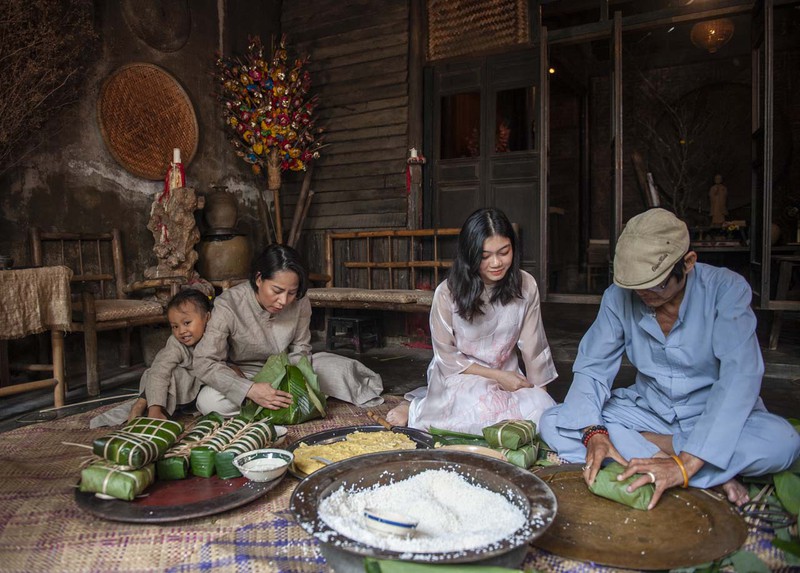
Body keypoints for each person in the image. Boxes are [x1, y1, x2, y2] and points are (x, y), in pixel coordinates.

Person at [539, 208, 800, 510]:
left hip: (711, 412)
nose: (644, 294)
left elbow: (739, 377)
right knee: (556, 421)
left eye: (656, 283)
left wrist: (687, 463)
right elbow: (592, 369)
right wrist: (594, 434)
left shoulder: (726, 289)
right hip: (650, 409)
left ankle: (678, 462)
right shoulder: (618, 297)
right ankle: (703, 470)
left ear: (688, 263)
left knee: (782, 443)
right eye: (635, 287)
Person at [386, 208, 558, 434]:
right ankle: (416, 406)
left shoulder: (526, 285)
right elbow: (446, 356)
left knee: (542, 414)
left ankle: (428, 402)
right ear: (469, 255)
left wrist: (540, 399)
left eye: (504, 252)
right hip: (461, 376)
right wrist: (498, 377)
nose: (496, 263)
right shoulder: (447, 293)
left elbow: (534, 347)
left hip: (507, 374)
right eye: (485, 256)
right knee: (478, 411)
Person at [192, 243, 384, 417]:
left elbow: (301, 349)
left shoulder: (300, 302)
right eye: (276, 291)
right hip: (247, 373)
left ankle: (273, 403)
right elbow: (204, 361)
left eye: (291, 293)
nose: (284, 301)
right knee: (209, 401)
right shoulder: (228, 305)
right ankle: (281, 402)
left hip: (288, 367)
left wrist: (294, 381)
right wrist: (249, 389)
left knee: (339, 370)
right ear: (259, 279)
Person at [127, 289, 212, 421]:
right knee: (161, 373)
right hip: (180, 389)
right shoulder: (175, 343)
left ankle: (145, 403)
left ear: (207, 318)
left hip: (200, 390)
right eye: (175, 326)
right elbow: (159, 371)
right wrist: (155, 409)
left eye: (187, 323)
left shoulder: (216, 336)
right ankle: (147, 407)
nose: (181, 331)